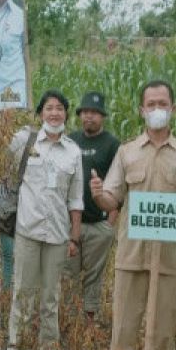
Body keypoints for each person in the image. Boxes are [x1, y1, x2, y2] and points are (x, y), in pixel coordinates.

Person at [90, 80, 176, 350]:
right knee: (123, 334)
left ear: (172, 109)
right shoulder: (127, 153)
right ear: (142, 110)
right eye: (150, 103)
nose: (156, 108)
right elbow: (113, 198)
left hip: (168, 262)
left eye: (162, 103)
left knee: (163, 337)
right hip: (131, 258)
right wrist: (97, 195)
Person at [0, 90, 84, 350]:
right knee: (22, 289)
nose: (54, 113)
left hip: (58, 234)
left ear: (66, 114)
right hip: (27, 230)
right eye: (49, 108)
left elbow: (76, 198)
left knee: (51, 295)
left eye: (59, 108)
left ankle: (49, 348)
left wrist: (74, 236)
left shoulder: (73, 151)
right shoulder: (25, 141)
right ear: (41, 114)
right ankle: (14, 347)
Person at [65, 91, 121, 321]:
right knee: (68, 273)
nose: (89, 117)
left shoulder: (112, 144)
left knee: (93, 276)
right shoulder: (71, 141)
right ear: (80, 115)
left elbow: (119, 185)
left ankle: (89, 320)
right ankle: (67, 319)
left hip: (99, 223)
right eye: (86, 112)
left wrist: (109, 223)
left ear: (102, 117)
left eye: (95, 113)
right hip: (71, 223)